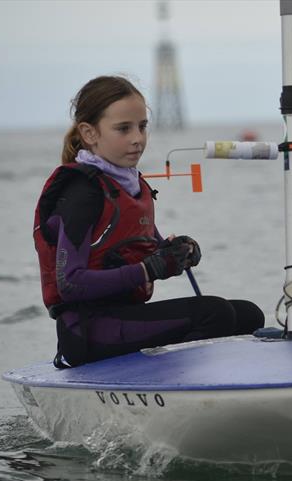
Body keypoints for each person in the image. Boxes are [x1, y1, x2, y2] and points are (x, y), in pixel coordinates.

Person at [33, 75, 264, 368]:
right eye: (123, 129)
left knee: (248, 315)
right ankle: (181, 394)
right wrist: (147, 270)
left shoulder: (130, 184)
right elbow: (70, 283)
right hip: (87, 331)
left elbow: (151, 249)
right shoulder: (82, 193)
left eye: (142, 127)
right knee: (214, 313)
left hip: (122, 318)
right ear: (89, 133)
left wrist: (179, 252)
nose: (137, 138)